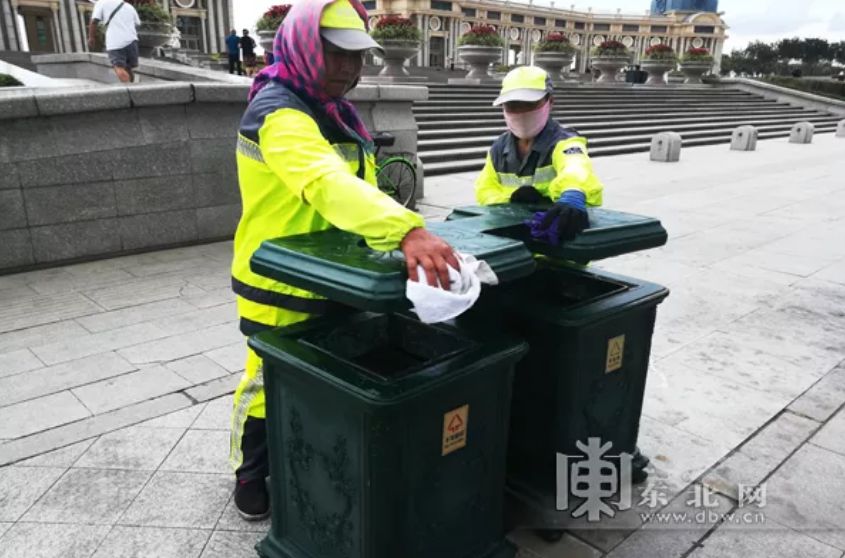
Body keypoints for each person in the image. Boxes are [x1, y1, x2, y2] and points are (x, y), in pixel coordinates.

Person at [229, 0, 460, 521]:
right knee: (267, 381)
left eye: (357, 57)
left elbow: (361, 188)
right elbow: (325, 182)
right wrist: (407, 230)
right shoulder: (278, 111)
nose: (350, 68)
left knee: (326, 377)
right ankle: (250, 472)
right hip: (281, 279)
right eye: (336, 54)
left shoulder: (336, 113)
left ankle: (313, 461)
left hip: (334, 275)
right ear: (305, 47)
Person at [475, 66, 604, 244]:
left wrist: (573, 193)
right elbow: (485, 190)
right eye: (513, 105)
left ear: (550, 102)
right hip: (512, 241)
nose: (521, 112)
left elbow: (576, 168)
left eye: (529, 104)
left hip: (557, 242)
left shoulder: (565, 142)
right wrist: (511, 199)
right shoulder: (498, 149)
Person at [87, 0, 140, 83]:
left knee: (119, 67)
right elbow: (137, 24)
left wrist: (91, 37)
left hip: (115, 41)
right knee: (128, 68)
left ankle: (130, 92)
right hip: (132, 41)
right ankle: (134, 88)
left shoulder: (102, 2)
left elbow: (94, 21)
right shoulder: (129, 6)